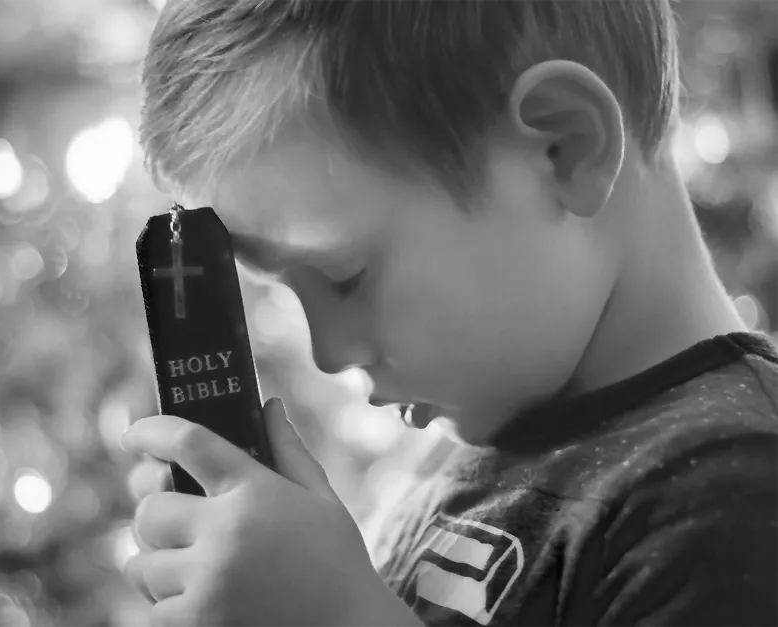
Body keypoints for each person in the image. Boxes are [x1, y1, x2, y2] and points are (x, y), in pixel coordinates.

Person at [120, 1, 778, 625]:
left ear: (565, 148)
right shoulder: (446, 450)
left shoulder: (736, 492)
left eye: (347, 278)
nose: (328, 352)